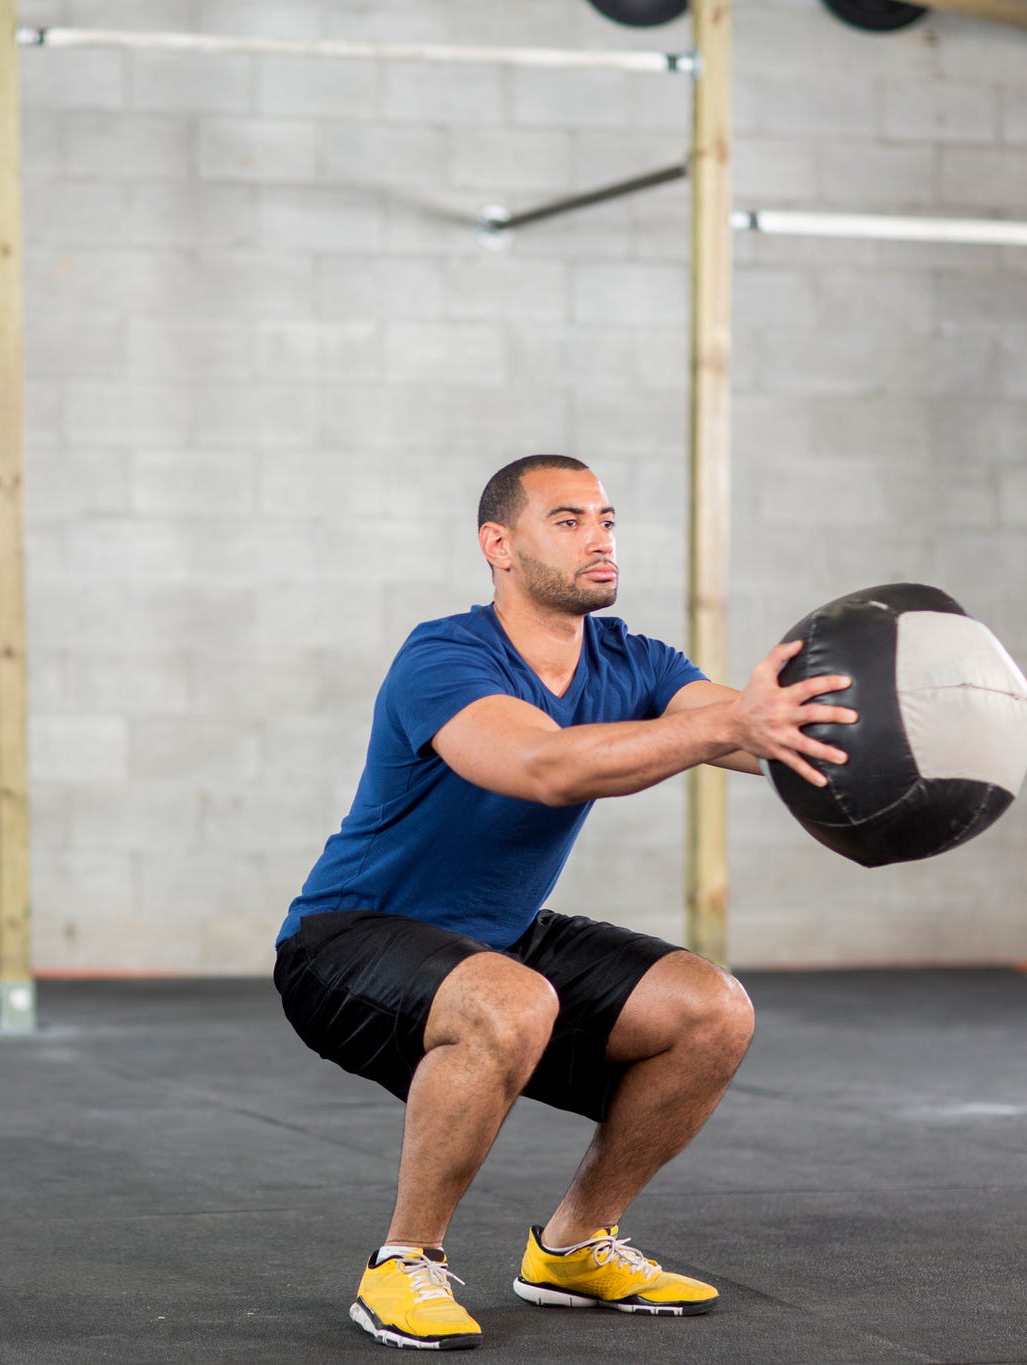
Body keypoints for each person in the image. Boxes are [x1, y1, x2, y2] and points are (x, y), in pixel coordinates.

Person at [274, 454, 858, 1351]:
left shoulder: (637, 659)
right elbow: (542, 767)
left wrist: (864, 744)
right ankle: (401, 1261)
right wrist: (721, 726)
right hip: (347, 938)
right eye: (569, 520)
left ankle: (574, 1244)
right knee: (512, 998)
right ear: (497, 545)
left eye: (608, 519)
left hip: (499, 940)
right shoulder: (446, 654)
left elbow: (751, 733)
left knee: (711, 1009)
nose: (600, 539)